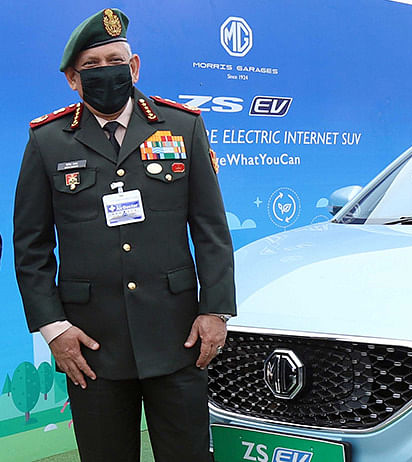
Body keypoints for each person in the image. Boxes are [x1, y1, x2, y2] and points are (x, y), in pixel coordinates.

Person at [13, 8, 235, 462]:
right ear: (73, 80)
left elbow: (211, 229)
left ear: (133, 67)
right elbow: (31, 246)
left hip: (178, 339)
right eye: (90, 67)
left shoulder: (182, 127)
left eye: (114, 60)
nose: (105, 72)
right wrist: (54, 330)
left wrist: (215, 310)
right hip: (91, 347)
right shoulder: (47, 141)